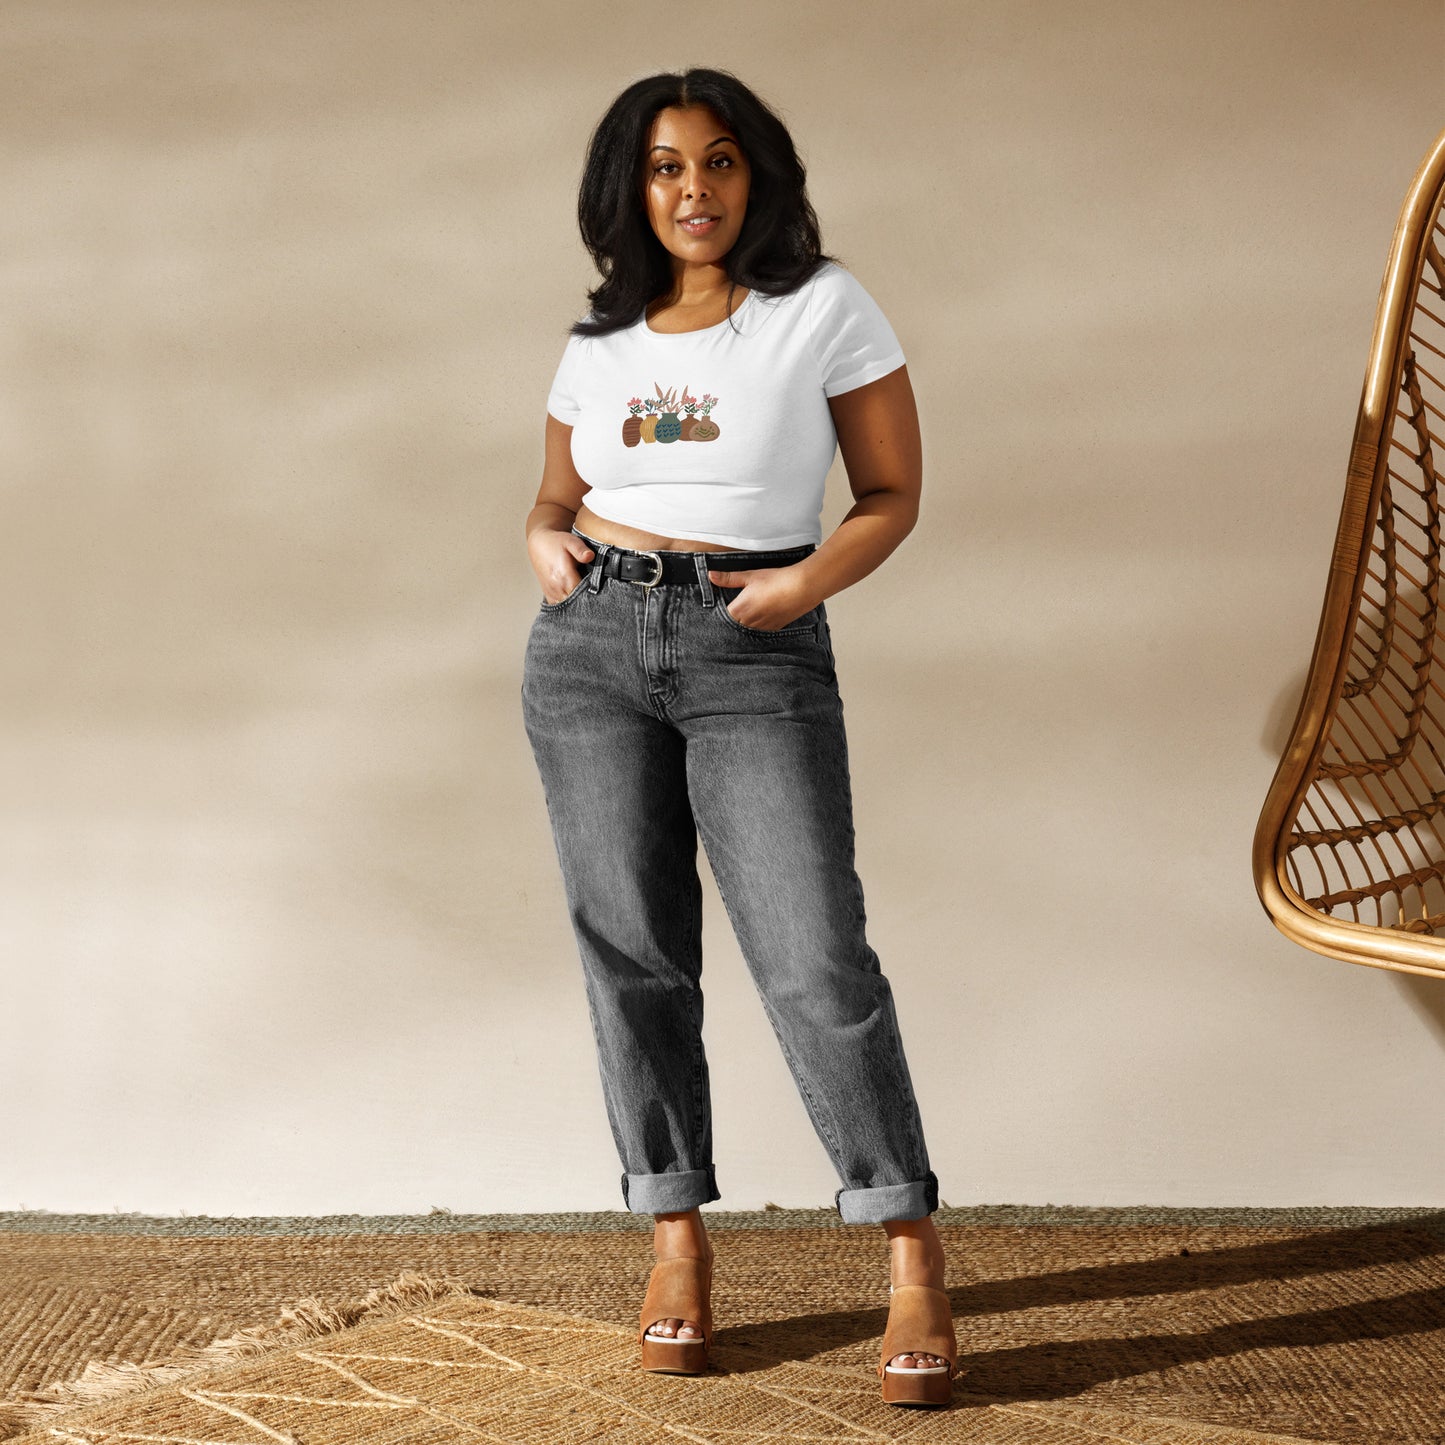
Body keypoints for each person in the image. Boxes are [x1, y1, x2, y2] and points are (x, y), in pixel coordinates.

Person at [521, 67, 959, 1407]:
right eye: (663, 167)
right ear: (629, 188)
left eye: (716, 162)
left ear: (753, 175)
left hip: (750, 637)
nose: (692, 190)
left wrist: (804, 585)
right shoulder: (599, 341)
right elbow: (552, 495)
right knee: (632, 952)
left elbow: (889, 489)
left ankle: (910, 1248)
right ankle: (674, 1241)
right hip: (589, 648)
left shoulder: (821, 308)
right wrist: (544, 544)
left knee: (815, 949)